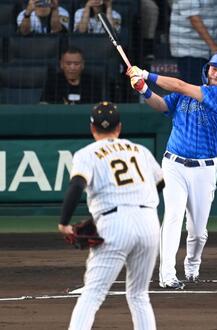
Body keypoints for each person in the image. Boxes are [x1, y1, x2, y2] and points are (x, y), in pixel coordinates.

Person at [126, 51, 217, 289]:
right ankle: (167, 274)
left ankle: (192, 264)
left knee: (197, 230)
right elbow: (162, 104)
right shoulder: (184, 94)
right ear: (208, 69)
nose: (216, 74)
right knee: (173, 217)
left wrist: (144, 73)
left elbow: (180, 86)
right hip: (174, 163)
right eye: (214, 69)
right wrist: (143, 89)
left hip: (204, 169)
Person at [58, 101, 163, 329]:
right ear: (119, 127)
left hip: (114, 223)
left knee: (92, 294)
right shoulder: (140, 150)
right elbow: (161, 183)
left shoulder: (87, 153)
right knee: (139, 295)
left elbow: (77, 185)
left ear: (92, 128)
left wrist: (64, 222)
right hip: (149, 223)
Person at [169, 0, 217, 85]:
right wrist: (214, 48)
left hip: (207, 51)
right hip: (189, 49)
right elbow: (194, 18)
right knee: (195, 89)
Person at [40, 46, 104, 104]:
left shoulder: (92, 83)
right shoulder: (53, 82)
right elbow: (43, 105)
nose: (72, 67)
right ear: (61, 64)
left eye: (76, 64)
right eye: (68, 63)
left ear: (82, 65)